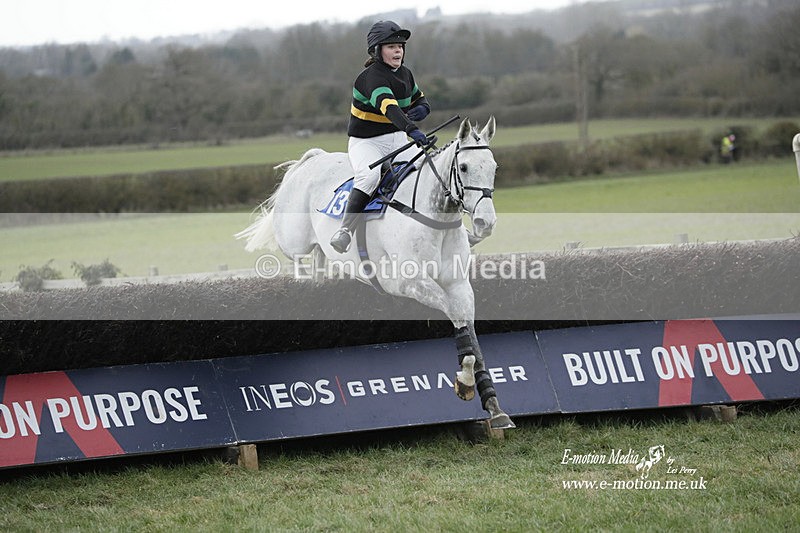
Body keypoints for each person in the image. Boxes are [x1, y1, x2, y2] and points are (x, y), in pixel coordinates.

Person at [330, 20, 432, 254]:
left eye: (401, 46)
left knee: (427, 167)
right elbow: (390, 108)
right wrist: (412, 129)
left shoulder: (406, 74)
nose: (398, 50)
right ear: (377, 51)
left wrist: (423, 109)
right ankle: (345, 231)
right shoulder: (370, 78)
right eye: (391, 46)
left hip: (396, 137)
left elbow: (421, 99)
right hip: (367, 143)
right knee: (369, 177)